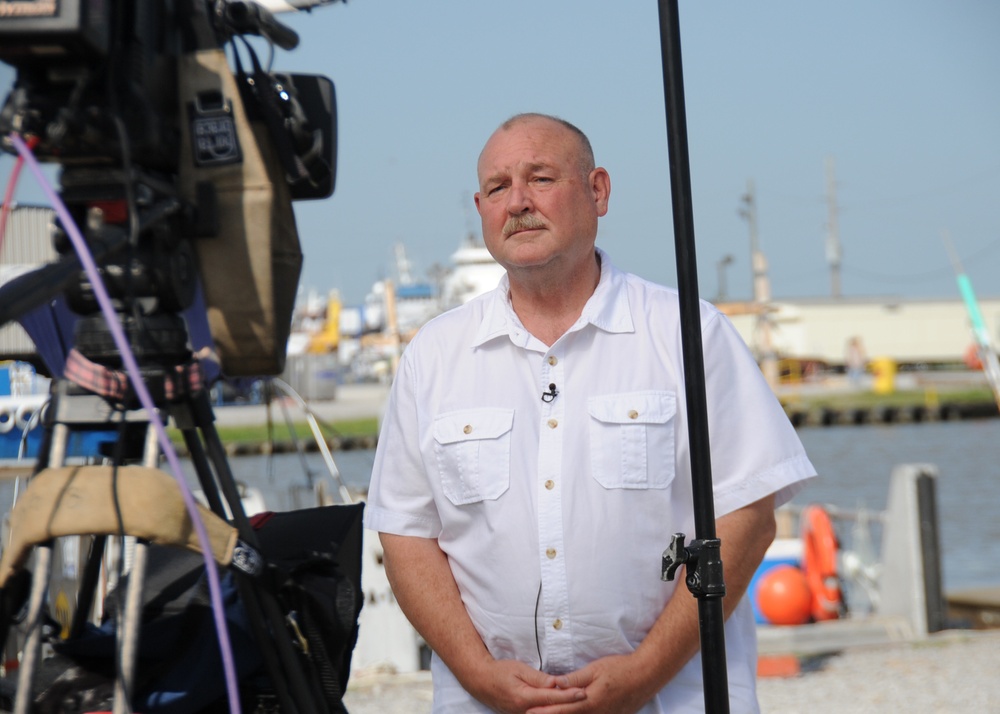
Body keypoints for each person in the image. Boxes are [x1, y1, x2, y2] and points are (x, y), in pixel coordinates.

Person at [364, 113, 816, 713]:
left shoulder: (689, 334)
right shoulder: (433, 357)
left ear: (598, 191)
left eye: (541, 178)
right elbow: (405, 535)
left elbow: (748, 518)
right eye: (498, 188)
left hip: (670, 698)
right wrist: (479, 675)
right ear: (480, 208)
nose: (518, 202)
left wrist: (642, 675)